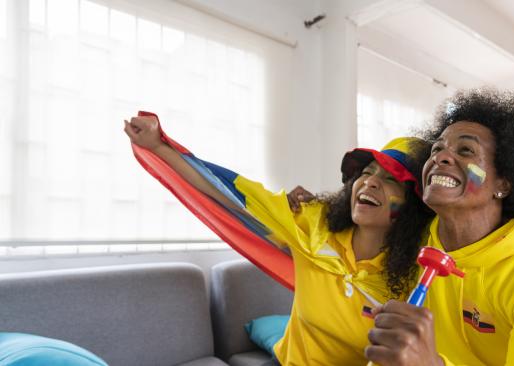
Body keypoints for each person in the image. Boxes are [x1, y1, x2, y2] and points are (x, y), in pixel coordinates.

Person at [123, 116, 435, 365]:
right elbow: (230, 193)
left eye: (391, 179)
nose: (370, 182)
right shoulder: (312, 221)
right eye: (368, 171)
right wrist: (157, 145)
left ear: (413, 207)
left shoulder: (420, 279)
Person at [363, 89, 514, 365]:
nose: (440, 157)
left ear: (503, 183)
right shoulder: (411, 241)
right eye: (437, 148)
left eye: (466, 150)